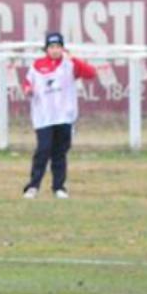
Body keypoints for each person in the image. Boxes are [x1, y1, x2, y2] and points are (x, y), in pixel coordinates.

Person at [22, 32, 98, 199]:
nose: (55, 50)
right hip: (44, 117)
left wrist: (74, 59)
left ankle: (59, 187)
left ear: (63, 48)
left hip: (64, 117)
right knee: (43, 150)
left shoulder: (69, 64)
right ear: (46, 49)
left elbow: (91, 73)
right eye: (51, 47)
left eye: (58, 47)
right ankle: (33, 186)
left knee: (60, 152)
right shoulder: (37, 65)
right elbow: (28, 82)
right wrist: (28, 90)